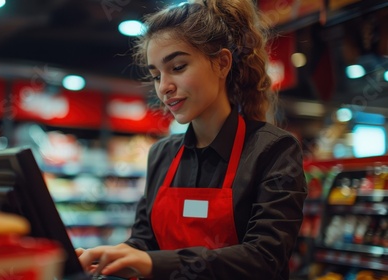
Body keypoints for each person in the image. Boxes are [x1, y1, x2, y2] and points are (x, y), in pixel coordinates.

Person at [77, 0, 308, 279]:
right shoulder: (162, 154)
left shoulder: (273, 150)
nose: (164, 87)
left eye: (177, 67)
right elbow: (144, 242)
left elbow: (264, 257)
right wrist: (109, 258)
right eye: (155, 75)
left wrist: (153, 264)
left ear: (222, 63)